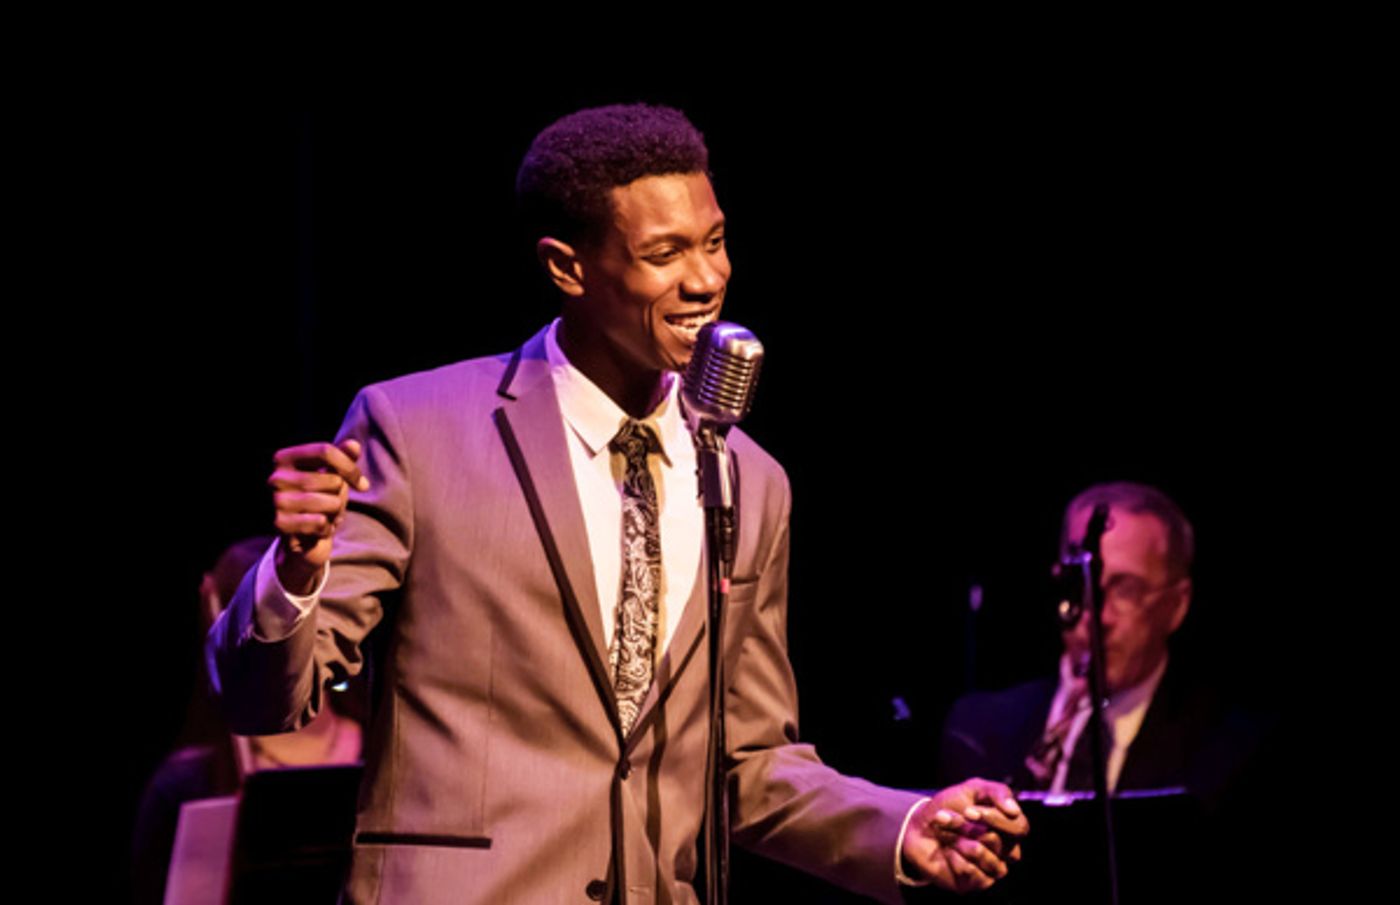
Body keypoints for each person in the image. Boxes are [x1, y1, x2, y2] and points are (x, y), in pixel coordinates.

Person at [207, 103, 1028, 905]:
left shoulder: (748, 476)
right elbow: (262, 701)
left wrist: (904, 822)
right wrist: (297, 571)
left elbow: (745, 762)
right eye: (665, 252)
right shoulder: (418, 430)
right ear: (569, 267)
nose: (706, 278)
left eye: (714, 242)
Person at [938, 481, 1265, 804]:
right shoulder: (976, 731)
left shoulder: (1229, 751)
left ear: (1176, 605)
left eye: (1127, 590)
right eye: (1079, 583)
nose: (1096, 616)